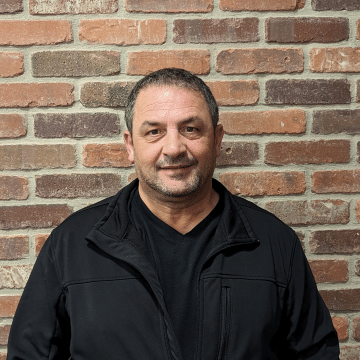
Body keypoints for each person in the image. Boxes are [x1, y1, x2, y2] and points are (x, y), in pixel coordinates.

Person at [7, 68, 339, 360]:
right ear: (130, 145)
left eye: (191, 129)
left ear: (217, 139)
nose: (174, 147)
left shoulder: (273, 244)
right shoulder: (74, 245)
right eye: (154, 131)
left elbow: (315, 354)